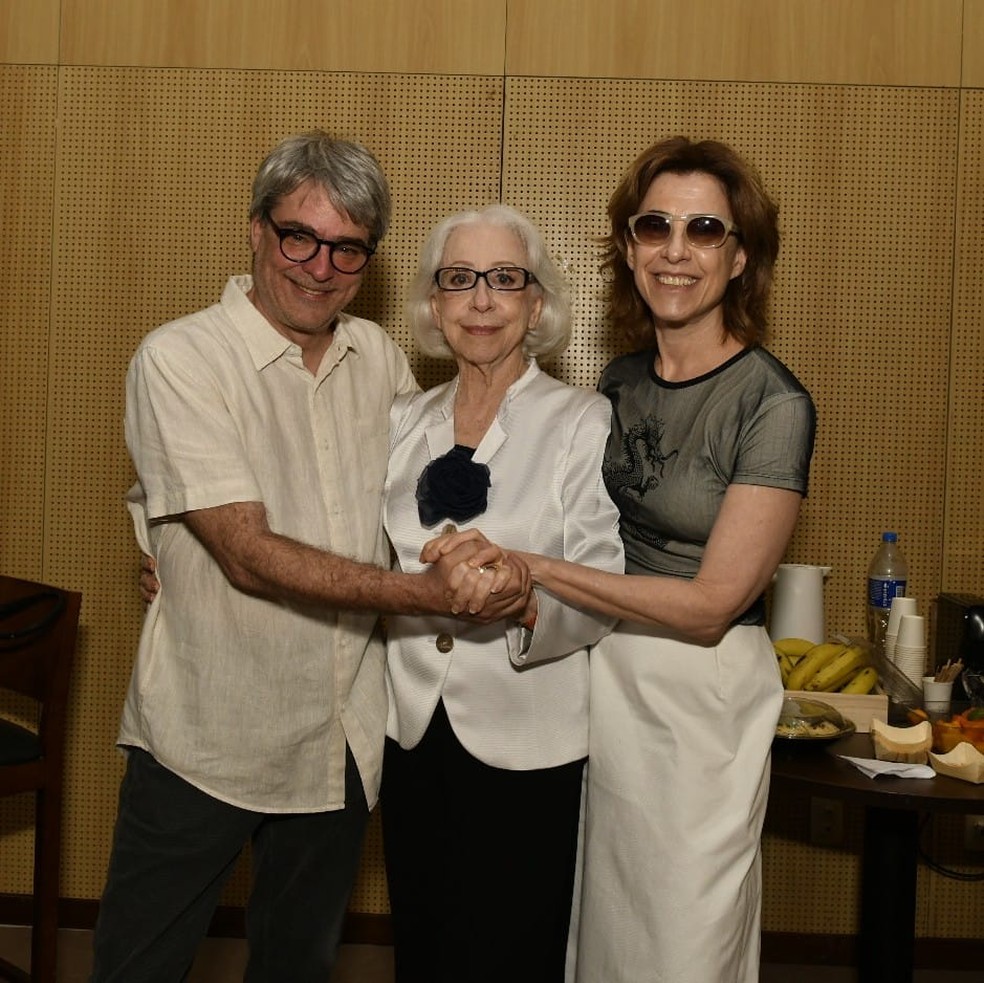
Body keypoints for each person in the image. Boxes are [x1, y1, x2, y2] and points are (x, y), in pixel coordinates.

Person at [91, 132, 530, 983]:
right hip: (206, 730)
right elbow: (248, 554)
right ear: (255, 230)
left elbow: (419, 509)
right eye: (299, 235)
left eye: (347, 248)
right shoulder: (182, 358)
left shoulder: (382, 361)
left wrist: (506, 557)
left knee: (296, 966)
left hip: (340, 738)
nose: (319, 266)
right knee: (135, 967)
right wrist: (421, 592)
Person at [429, 137, 817, 983]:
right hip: (602, 689)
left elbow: (713, 604)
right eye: (655, 226)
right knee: (603, 936)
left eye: (705, 228)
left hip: (701, 699)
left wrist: (533, 566)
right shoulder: (620, 382)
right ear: (630, 247)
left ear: (740, 254)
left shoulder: (772, 403)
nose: (676, 251)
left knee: (684, 938)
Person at [380, 204, 624, 983]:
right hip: (413, 727)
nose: (481, 300)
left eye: (504, 280)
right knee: (424, 938)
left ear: (537, 303)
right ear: (434, 305)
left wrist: (524, 599)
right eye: (459, 280)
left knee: (512, 950)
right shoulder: (400, 421)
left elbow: (604, 585)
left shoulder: (583, 423)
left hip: (530, 735)